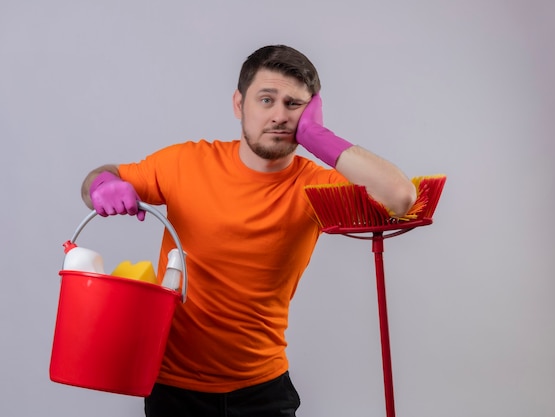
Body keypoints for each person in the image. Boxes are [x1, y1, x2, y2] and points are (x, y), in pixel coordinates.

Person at [80, 44, 416, 417]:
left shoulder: (315, 187)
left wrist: (319, 137)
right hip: (173, 388)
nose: (279, 116)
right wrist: (101, 186)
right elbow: (100, 175)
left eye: (294, 105)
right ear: (240, 105)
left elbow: (401, 197)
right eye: (266, 100)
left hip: (263, 391)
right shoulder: (185, 163)